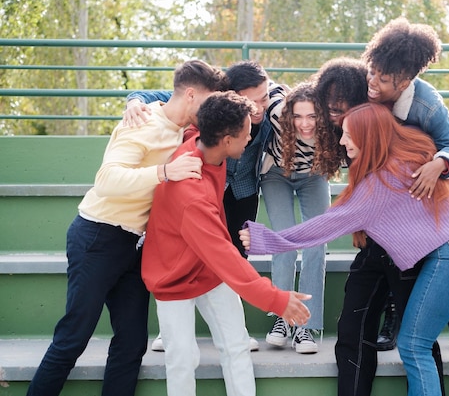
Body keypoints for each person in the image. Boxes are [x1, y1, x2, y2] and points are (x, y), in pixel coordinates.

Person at [240, 102, 449, 396]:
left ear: (368, 136)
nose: (341, 141)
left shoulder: (376, 188)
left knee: (414, 345)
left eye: (348, 135)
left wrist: (266, 240)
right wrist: (442, 159)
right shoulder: (407, 150)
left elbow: (321, 227)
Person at [26, 59, 228, 396]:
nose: (212, 113)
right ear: (191, 95)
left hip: (133, 244)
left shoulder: (183, 125)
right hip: (97, 236)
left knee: (133, 343)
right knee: (73, 337)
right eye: (208, 102)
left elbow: (172, 94)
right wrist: (164, 172)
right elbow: (106, 180)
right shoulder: (143, 123)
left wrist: (135, 96)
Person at [141, 90, 311, 396]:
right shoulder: (191, 196)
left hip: (208, 271)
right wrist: (277, 300)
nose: (250, 138)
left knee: (236, 348)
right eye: (246, 133)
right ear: (227, 140)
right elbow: (227, 258)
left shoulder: (203, 140)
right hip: (173, 276)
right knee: (182, 360)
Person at [124, 60, 287, 352]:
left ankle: (235, 328)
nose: (262, 106)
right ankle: (170, 327)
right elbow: (162, 96)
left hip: (244, 189)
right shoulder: (215, 100)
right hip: (209, 180)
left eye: (265, 96)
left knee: (236, 251)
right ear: (232, 97)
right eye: (254, 101)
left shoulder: (271, 103)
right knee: (191, 247)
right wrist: (134, 100)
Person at [313, 55, 449, 395]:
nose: (336, 116)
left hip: (412, 243)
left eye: (343, 108)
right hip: (375, 243)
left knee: (419, 340)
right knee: (352, 331)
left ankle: (394, 310)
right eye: (331, 109)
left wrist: (444, 166)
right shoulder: (345, 132)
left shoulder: (394, 117)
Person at [261, 81, 343, 354]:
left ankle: (305, 327)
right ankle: (282, 319)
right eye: (297, 116)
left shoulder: (333, 128)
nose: (304, 124)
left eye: (311, 116)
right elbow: (268, 87)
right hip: (276, 175)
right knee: (284, 239)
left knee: (315, 245)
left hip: (313, 177)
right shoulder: (276, 113)